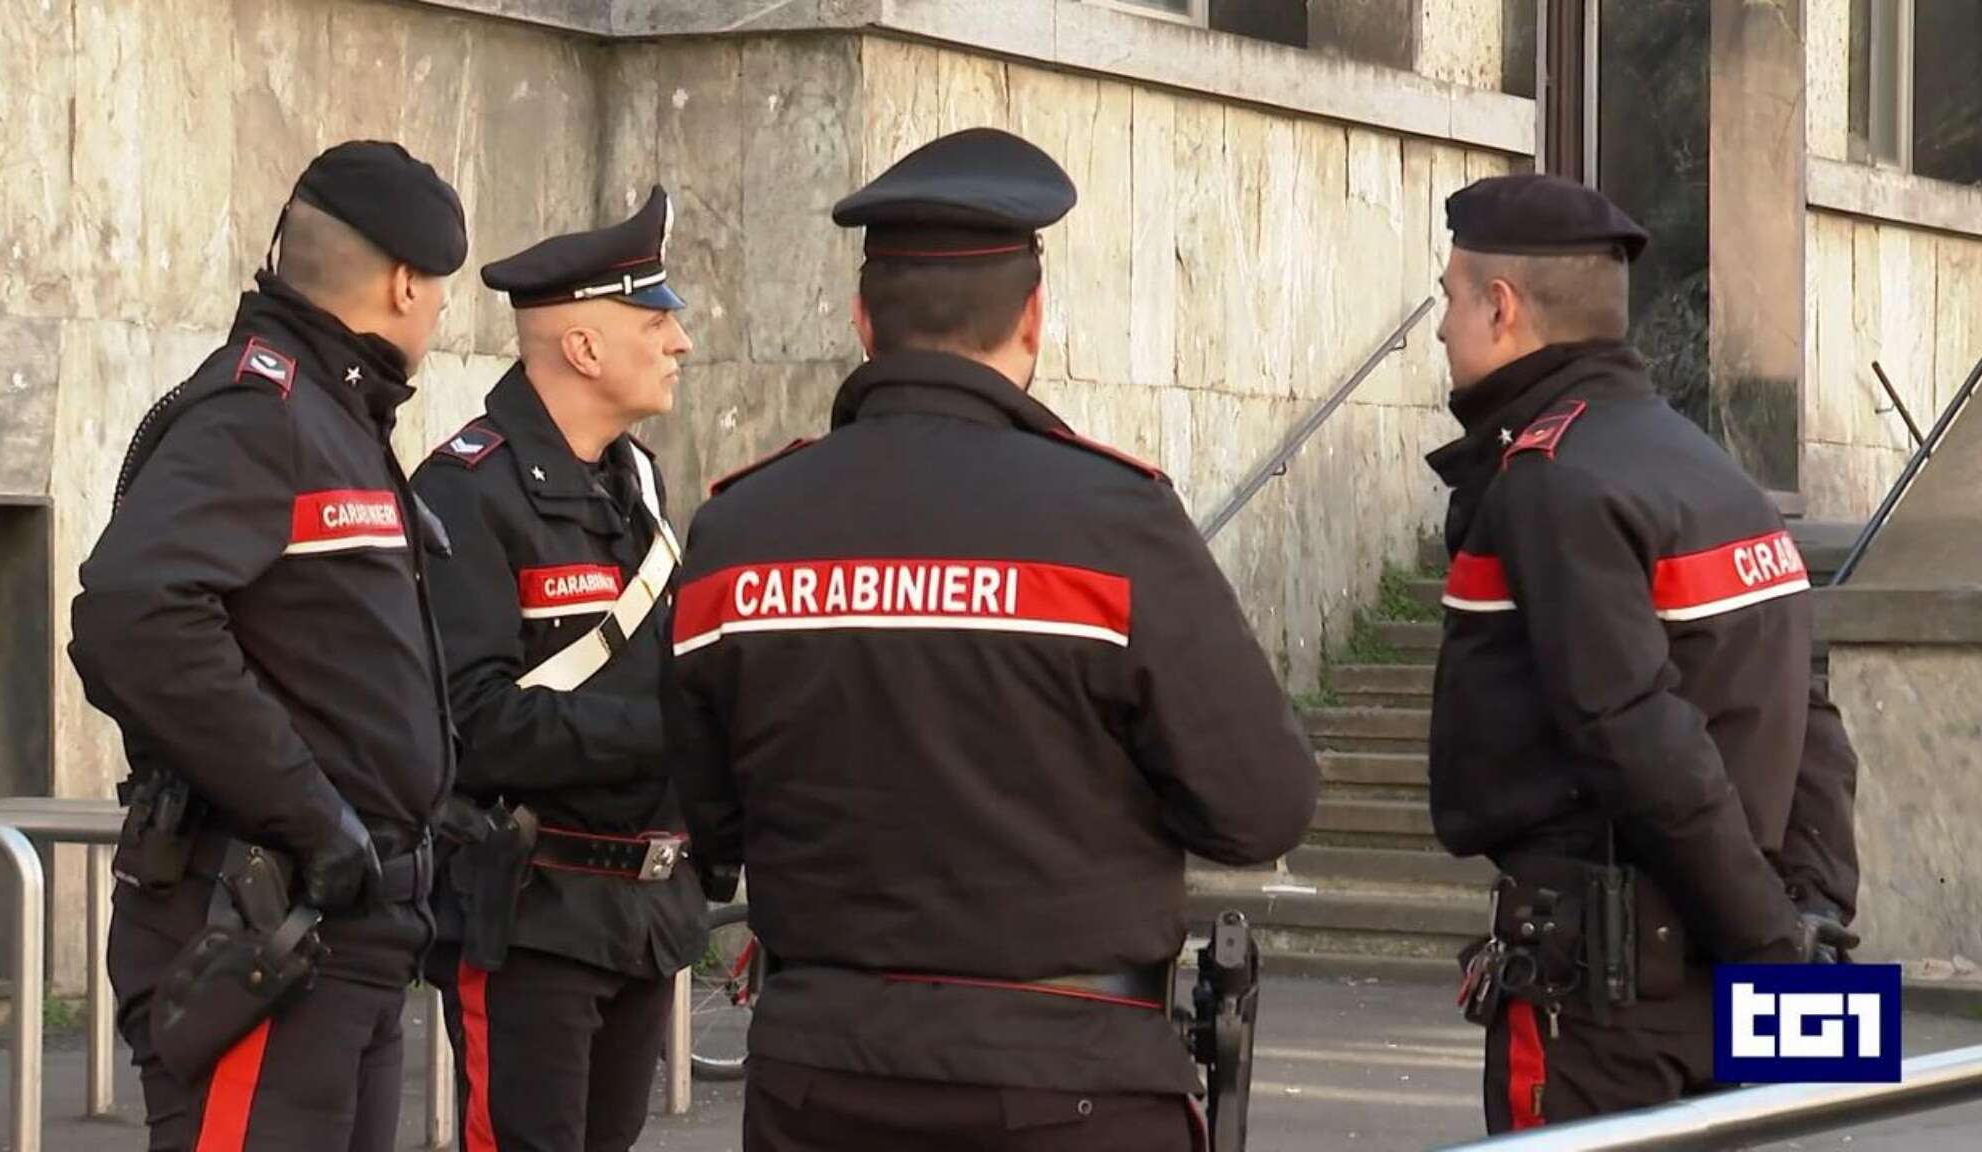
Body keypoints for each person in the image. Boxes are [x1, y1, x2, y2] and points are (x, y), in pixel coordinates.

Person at [662, 127, 1320, 1152]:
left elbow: (714, 821)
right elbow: (1260, 805)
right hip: (1072, 1083)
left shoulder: (738, 530)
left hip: (821, 1083)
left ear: (860, 320)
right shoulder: (1114, 523)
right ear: (1033, 319)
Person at [1423, 173, 1861, 1132]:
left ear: (1500, 309)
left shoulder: (1547, 480)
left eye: (1449, 300)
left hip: (1605, 1001)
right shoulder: (1711, 470)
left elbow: (1637, 736)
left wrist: (1776, 954)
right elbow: (1813, 715)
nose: (1442, 329)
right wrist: (1813, 931)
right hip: (1748, 955)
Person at [70, 140, 465, 1151]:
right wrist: (313, 815)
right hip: (262, 929)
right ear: (405, 283)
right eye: (439, 293)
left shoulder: (334, 415)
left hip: (346, 940)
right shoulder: (265, 411)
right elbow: (131, 617)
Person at [413, 186, 709, 1152]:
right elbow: (473, 723)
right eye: (656, 318)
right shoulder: (466, 492)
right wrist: (677, 732)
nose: (680, 343)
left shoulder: (640, 480)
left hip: (640, 914)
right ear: (584, 348)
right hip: (533, 917)